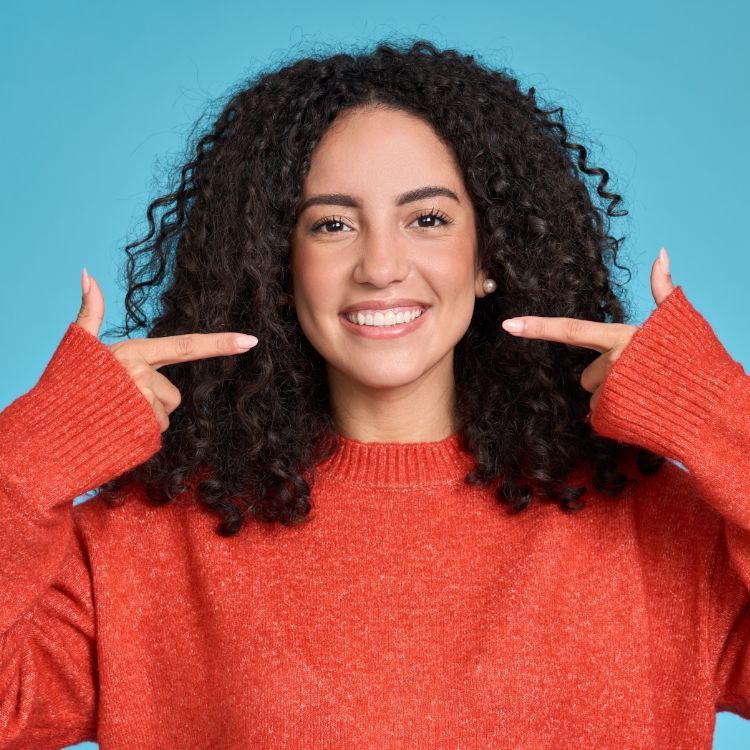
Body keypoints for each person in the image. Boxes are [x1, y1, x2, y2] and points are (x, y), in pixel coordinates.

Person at [1, 38, 748, 749]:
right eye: (332, 224)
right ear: (279, 269)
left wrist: (720, 416)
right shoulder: (146, 541)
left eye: (427, 219)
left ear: (489, 256)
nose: (381, 265)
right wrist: (30, 457)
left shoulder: (660, 531)